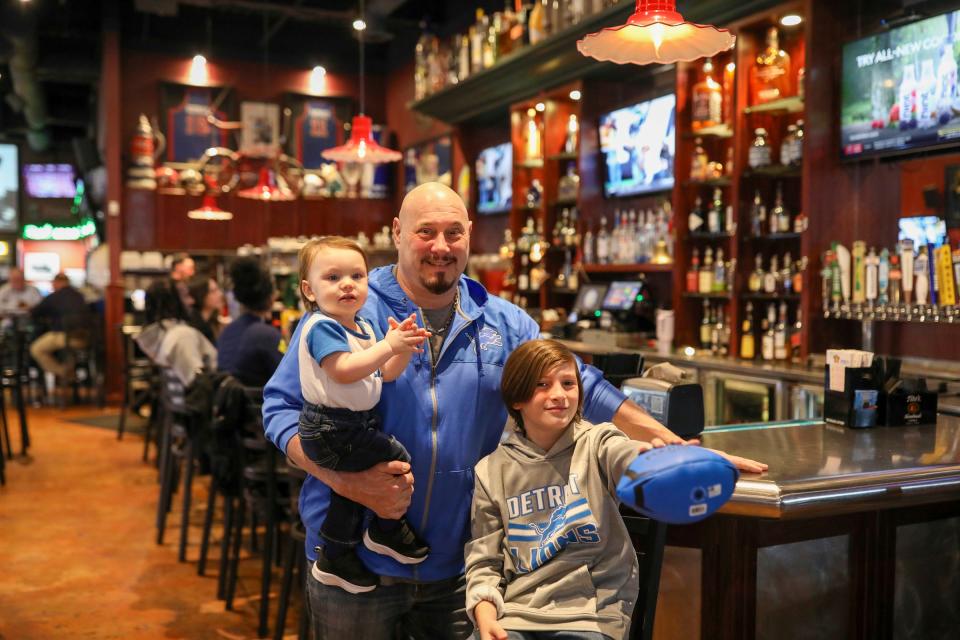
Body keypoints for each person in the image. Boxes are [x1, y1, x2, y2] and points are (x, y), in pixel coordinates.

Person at [262, 182, 766, 639]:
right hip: (354, 568)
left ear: (469, 237)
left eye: (453, 233)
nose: (441, 246)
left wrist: (671, 442)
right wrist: (347, 482)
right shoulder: (350, 308)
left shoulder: (503, 322)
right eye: (426, 232)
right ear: (397, 234)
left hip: (461, 569)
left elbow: (580, 384)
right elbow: (279, 409)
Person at [466, 340, 654, 640]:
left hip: (591, 615)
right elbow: (485, 562)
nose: (559, 395)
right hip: (516, 615)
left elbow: (625, 456)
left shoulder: (598, 441)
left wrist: (648, 461)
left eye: (568, 384)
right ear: (517, 398)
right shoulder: (491, 470)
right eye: (542, 384)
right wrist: (485, 617)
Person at [294, 236, 431, 594]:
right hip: (330, 427)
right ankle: (384, 529)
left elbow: (384, 374)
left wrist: (399, 347)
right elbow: (344, 370)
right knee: (396, 457)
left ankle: (337, 553)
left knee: (353, 488)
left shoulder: (361, 328)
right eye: (333, 277)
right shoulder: (321, 326)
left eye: (357, 275)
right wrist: (387, 346)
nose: (347, 285)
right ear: (309, 290)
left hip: (347, 426)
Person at [136, 278, 216, 387]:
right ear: (171, 302)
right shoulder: (182, 336)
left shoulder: (161, 335)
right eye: (185, 296)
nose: (191, 301)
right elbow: (198, 384)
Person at [217, 257, 283, 388]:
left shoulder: (227, 331)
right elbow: (289, 376)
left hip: (229, 406)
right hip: (260, 406)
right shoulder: (267, 335)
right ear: (271, 297)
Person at [29, 273, 90, 381]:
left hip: (65, 337)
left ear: (57, 283)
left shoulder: (54, 297)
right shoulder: (79, 296)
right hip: (84, 338)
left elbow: (35, 312)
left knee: (36, 349)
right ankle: (69, 373)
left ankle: (64, 372)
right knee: (69, 352)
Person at [187, 275, 225, 343]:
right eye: (213, 291)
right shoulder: (194, 328)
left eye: (218, 289)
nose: (220, 294)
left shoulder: (211, 321)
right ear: (201, 295)